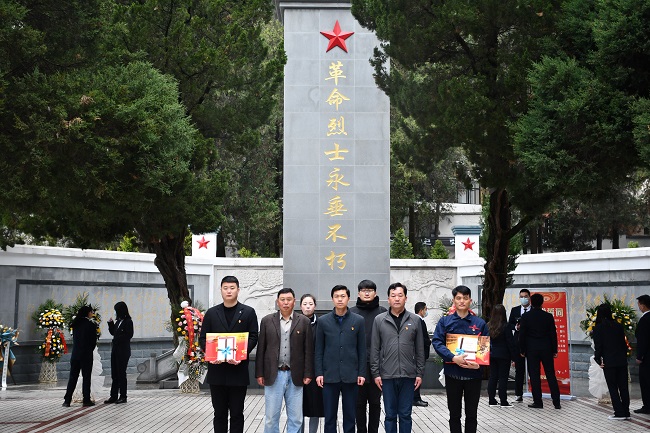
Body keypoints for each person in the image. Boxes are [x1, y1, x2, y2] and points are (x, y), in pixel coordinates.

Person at [200, 276, 259, 433]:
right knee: (219, 413)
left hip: (238, 372)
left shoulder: (248, 312)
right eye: (225, 288)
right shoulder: (212, 313)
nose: (229, 291)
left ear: (238, 290)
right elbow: (203, 339)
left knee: (237, 413)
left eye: (232, 288)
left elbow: (254, 336)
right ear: (220, 290)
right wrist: (211, 354)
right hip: (217, 372)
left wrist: (241, 354)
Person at [256, 288, 313, 433]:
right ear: (277, 302)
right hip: (273, 374)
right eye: (282, 300)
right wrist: (259, 373)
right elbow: (261, 349)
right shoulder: (267, 321)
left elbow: (308, 350)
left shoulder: (304, 321)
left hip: (296, 375)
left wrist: (308, 373)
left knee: (296, 418)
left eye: (289, 299)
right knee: (271, 417)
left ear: (294, 301)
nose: (286, 302)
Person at [432, 285, 487, 433]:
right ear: (454, 301)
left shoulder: (480, 323)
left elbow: (486, 347)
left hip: (473, 376)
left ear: (470, 300)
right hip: (453, 374)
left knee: (472, 414)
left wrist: (479, 365)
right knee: (454, 414)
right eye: (458, 298)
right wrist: (453, 357)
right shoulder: (445, 322)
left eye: (465, 298)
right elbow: (437, 342)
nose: (462, 301)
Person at [370, 283, 424, 433]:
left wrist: (419, 373)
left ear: (406, 298)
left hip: (408, 375)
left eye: (400, 295)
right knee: (390, 415)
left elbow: (420, 349)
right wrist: (376, 373)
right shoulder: (379, 320)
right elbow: (375, 349)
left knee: (405, 414)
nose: (397, 299)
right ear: (388, 299)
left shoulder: (415, 320)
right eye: (393, 296)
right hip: (387, 375)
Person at [315, 285, 366, 433]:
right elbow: (319, 350)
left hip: (351, 375)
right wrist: (319, 373)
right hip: (329, 375)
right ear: (332, 299)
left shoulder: (358, 320)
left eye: (343, 296)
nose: (340, 299)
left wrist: (361, 373)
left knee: (350, 416)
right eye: (336, 296)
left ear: (348, 298)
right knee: (329, 417)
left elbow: (362, 349)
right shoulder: (323, 321)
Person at [350, 279, 387, 433]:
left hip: (377, 366)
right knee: (358, 404)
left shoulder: (383, 312)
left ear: (375, 293)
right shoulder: (351, 312)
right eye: (364, 290)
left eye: (370, 290)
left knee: (375, 403)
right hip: (357, 366)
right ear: (358, 293)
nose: (367, 293)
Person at [518, 293, 561, 409]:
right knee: (550, 374)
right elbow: (553, 334)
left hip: (532, 349)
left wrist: (522, 349)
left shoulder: (526, 316)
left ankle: (538, 401)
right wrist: (554, 349)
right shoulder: (548, 316)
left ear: (531, 302)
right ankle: (556, 402)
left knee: (534, 375)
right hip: (546, 348)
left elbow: (522, 334)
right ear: (542, 303)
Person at [593, 303, 631, 420]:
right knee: (623, 387)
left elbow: (598, 347)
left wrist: (598, 360)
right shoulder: (618, 326)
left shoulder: (598, 328)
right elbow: (623, 344)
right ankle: (626, 411)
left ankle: (619, 412)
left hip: (609, 362)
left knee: (613, 387)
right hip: (621, 361)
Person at [63, 305, 97, 407]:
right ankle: (86, 399)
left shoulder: (76, 324)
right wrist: (89, 350)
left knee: (73, 377)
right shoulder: (91, 325)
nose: (92, 314)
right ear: (88, 313)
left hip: (75, 354)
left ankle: (67, 400)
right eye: (91, 312)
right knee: (86, 377)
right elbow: (93, 342)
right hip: (86, 355)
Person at [300, 294, 324, 433]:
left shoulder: (321, 324)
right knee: (298, 406)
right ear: (300, 306)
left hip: (316, 372)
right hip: (299, 371)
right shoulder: (296, 322)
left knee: (315, 406)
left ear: (315, 306)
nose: (308, 307)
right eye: (305, 304)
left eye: (310, 304)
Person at [487, 304, 517, 407]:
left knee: (493, 377)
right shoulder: (506, 326)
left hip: (492, 354)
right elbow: (510, 342)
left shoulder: (488, 325)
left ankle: (491, 400)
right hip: (504, 355)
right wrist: (514, 357)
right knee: (503, 378)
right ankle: (503, 401)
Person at [104, 301, 133, 404]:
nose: (115, 312)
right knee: (114, 374)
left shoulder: (128, 321)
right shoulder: (118, 321)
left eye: (116, 310)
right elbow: (113, 332)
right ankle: (113, 395)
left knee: (121, 373)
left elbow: (129, 335)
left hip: (123, 351)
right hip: (115, 350)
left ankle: (123, 396)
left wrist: (118, 339)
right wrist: (110, 324)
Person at [507, 288, 531, 402]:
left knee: (532, 369)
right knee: (519, 370)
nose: (523, 299)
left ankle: (535, 393)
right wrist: (516, 327)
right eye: (521, 297)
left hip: (530, 343)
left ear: (529, 297)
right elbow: (510, 324)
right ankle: (518, 394)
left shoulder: (534, 310)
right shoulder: (515, 310)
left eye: (525, 296)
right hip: (518, 343)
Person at [413, 301, 431, 407]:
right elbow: (421, 338)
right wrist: (428, 342)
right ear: (421, 310)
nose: (426, 311)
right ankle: (415, 398)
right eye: (425, 309)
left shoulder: (418, 320)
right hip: (419, 354)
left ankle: (415, 397)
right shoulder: (418, 321)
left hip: (420, 354)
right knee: (418, 375)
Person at [634, 294, 650, 414]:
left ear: (643, 305)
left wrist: (640, 356)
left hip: (647, 358)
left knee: (646, 382)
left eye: (639, 304)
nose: (639, 307)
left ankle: (647, 406)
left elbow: (643, 340)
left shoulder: (645, 320)